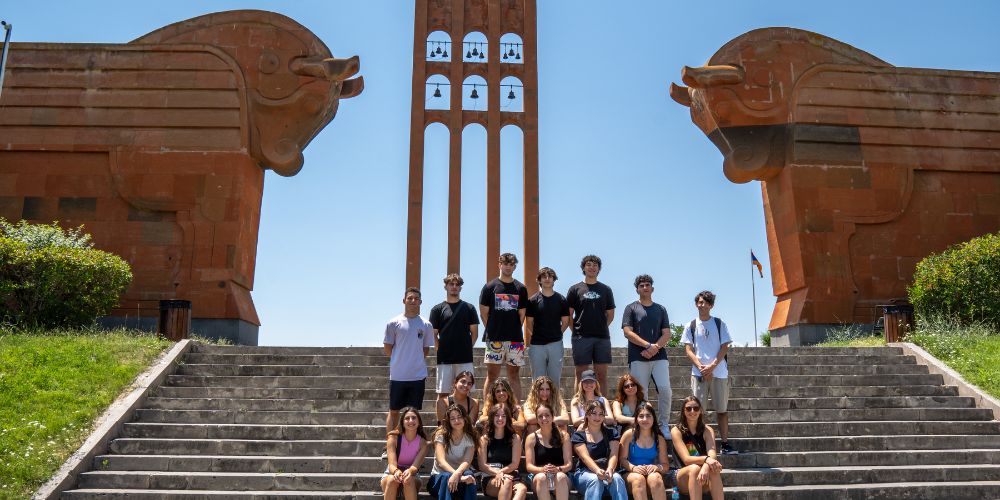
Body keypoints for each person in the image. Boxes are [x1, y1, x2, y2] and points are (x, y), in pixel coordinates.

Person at [681, 291, 737, 455]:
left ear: (712, 305)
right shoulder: (690, 325)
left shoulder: (719, 323)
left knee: (722, 410)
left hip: (719, 373)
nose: (703, 305)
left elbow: (724, 348)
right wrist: (702, 368)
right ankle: (701, 444)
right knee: (698, 411)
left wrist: (711, 367)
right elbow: (689, 351)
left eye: (706, 302)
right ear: (696, 304)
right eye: (700, 302)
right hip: (698, 374)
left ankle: (724, 444)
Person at [621, 275, 673, 430]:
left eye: (647, 285)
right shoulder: (630, 308)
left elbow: (666, 334)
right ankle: (644, 426)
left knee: (665, 391)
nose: (645, 287)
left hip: (659, 357)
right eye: (642, 285)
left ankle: (663, 424)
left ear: (652, 288)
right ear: (637, 290)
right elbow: (627, 332)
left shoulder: (661, 309)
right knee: (641, 394)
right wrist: (647, 346)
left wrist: (654, 348)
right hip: (638, 356)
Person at [384, 287, 436, 434]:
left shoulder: (426, 325)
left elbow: (425, 350)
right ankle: (391, 443)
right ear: (404, 300)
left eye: (416, 298)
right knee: (394, 411)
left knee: (413, 413)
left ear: (420, 302)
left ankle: (412, 443)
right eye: (410, 298)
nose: (413, 301)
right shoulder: (393, 323)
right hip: (398, 375)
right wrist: (400, 360)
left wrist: (413, 361)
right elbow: (387, 348)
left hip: (417, 376)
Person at [479, 252, 529, 400]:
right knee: (492, 375)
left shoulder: (521, 288)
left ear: (514, 267)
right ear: (500, 265)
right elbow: (484, 314)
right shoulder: (489, 287)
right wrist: (494, 329)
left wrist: (511, 328)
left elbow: (522, 315)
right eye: (505, 264)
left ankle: (516, 408)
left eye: (511, 265)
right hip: (495, 338)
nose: (508, 267)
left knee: (514, 376)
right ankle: (488, 408)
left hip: (515, 339)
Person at [430, 274, 480, 411]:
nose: (454, 287)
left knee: (464, 392)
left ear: (460, 288)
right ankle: (441, 422)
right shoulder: (437, 309)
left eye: (457, 285)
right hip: (444, 359)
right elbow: (433, 334)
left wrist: (466, 348)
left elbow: (474, 333)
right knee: (443, 393)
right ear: (445, 287)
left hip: (464, 358)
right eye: (451, 284)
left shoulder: (469, 308)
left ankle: (464, 421)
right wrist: (441, 349)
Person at [567, 255, 615, 393]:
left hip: (602, 338)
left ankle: (602, 404)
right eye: (588, 264)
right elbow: (569, 315)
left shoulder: (606, 289)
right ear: (583, 268)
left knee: (601, 376)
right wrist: (576, 330)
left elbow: (610, 315)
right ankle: (580, 404)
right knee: (581, 375)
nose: (592, 267)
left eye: (595, 265)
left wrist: (601, 327)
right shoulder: (575, 289)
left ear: (599, 269)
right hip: (581, 337)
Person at [670, 396, 724, 500]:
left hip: (702, 473)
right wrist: (706, 460)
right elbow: (686, 460)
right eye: (688, 409)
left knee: (713, 469)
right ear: (684, 411)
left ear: (700, 410)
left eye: (696, 408)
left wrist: (706, 465)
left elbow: (712, 454)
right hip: (680, 474)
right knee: (694, 469)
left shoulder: (707, 430)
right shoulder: (676, 430)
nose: (692, 411)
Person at [571, 400, 627, 500]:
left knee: (617, 478)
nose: (597, 417)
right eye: (594, 413)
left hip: (607, 472)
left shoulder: (611, 432)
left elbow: (614, 454)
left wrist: (610, 469)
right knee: (595, 480)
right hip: (585, 474)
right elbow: (585, 457)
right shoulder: (579, 435)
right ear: (587, 414)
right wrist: (597, 471)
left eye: (601, 414)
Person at [525, 267, 570, 389]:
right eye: (544, 277)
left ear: (554, 279)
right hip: (537, 345)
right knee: (537, 381)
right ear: (539, 280)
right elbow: (529, 323)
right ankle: (537, 402)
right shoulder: (532, 301)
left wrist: (556, 333)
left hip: (556, 344)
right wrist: (538, 334)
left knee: (554, 381)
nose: (547, 279)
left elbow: (566, 321)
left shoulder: (561, 300)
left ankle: (554, 402)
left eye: (550, 277)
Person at [619, 402, 672, 500]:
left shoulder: (659, 439)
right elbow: (622, 460)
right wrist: (634, 468)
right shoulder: (629, 435)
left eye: (648, 416)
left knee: (655, 479)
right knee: (639, 479)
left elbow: (665, 465)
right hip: (630, 474)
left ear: (653, 419)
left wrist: (657, 467)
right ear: (636, 419)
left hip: (650, 474)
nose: (645, 419)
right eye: (641, 416)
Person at [428, 404, 479, 500]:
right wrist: (457, 475)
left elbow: (466, 463)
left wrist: (456, 475)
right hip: (438, 480)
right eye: (452, 418)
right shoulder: (441, 435)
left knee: (469, 475)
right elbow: (441, 462)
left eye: (459, 417)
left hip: (459, 480)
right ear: (448, 421)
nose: (456, 421)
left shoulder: (469, 437)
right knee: (447, 476)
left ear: (465, 418)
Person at [477, 404, 528, 500]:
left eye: (503, 416)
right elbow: (482, 465)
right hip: (490, 477)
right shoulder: (484, 439)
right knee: (506, 482)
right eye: (497, 415)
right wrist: (497, 473)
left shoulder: (515, 438)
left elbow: (515, 464)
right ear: (492, 417)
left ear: (507, 419)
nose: (500, 419)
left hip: (510, 475)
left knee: (522, 489)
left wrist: (501, 472)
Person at [524, 403, 572, 500]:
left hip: (561, 476)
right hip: (539, 477)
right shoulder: (531, 438)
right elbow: (529, 466)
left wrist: (557, 469)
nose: (544, 419)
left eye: (547, 415)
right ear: (537, 419)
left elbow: (569, 464)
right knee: (541, 477)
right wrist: (543, 470)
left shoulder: (563, 436)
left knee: (560, 477)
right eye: (540, 416)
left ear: (553, 417)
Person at [381, 406, 431, 500]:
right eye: (407, 418)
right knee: (391, 480)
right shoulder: (393, 438)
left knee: (409, 481)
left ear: (418, 422)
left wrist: (409, 471)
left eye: (414, 418)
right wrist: (396, 471)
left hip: (412, 475)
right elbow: (391, 465)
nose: (411, 421)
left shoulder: (423, 443)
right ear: (403, 423)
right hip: (392, 473)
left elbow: (415, 467)